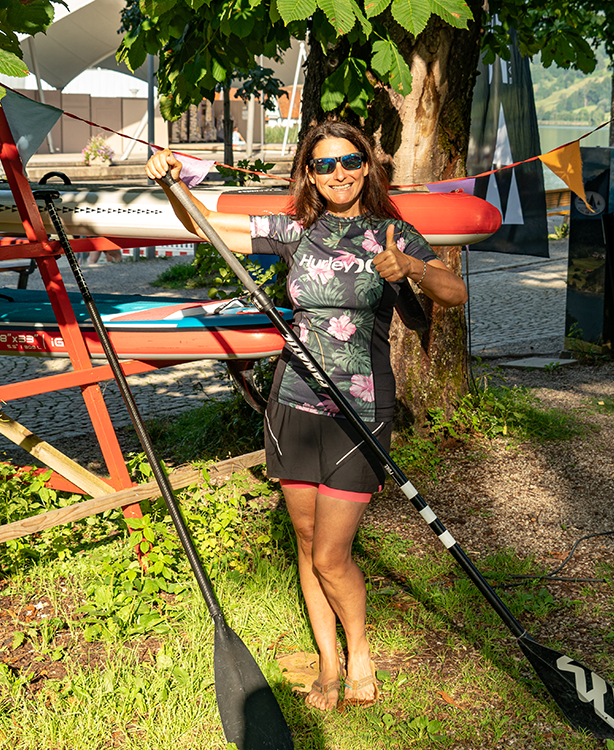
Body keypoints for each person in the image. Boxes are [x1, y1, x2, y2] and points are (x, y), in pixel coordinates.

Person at [146, 121, 467, 711]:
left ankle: (361, 652)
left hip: (362, 407)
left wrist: (413, 270)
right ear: (310, 175)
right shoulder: (295, 231)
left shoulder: (391, 233)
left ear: (366, 166)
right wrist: (173, 185)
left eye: (349, 161)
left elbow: (454, 294)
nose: (338, 173)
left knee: (331, 554)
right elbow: (205, 227)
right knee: (305, 538)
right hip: (293, 401)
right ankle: (327, 661)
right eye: (324, 165)